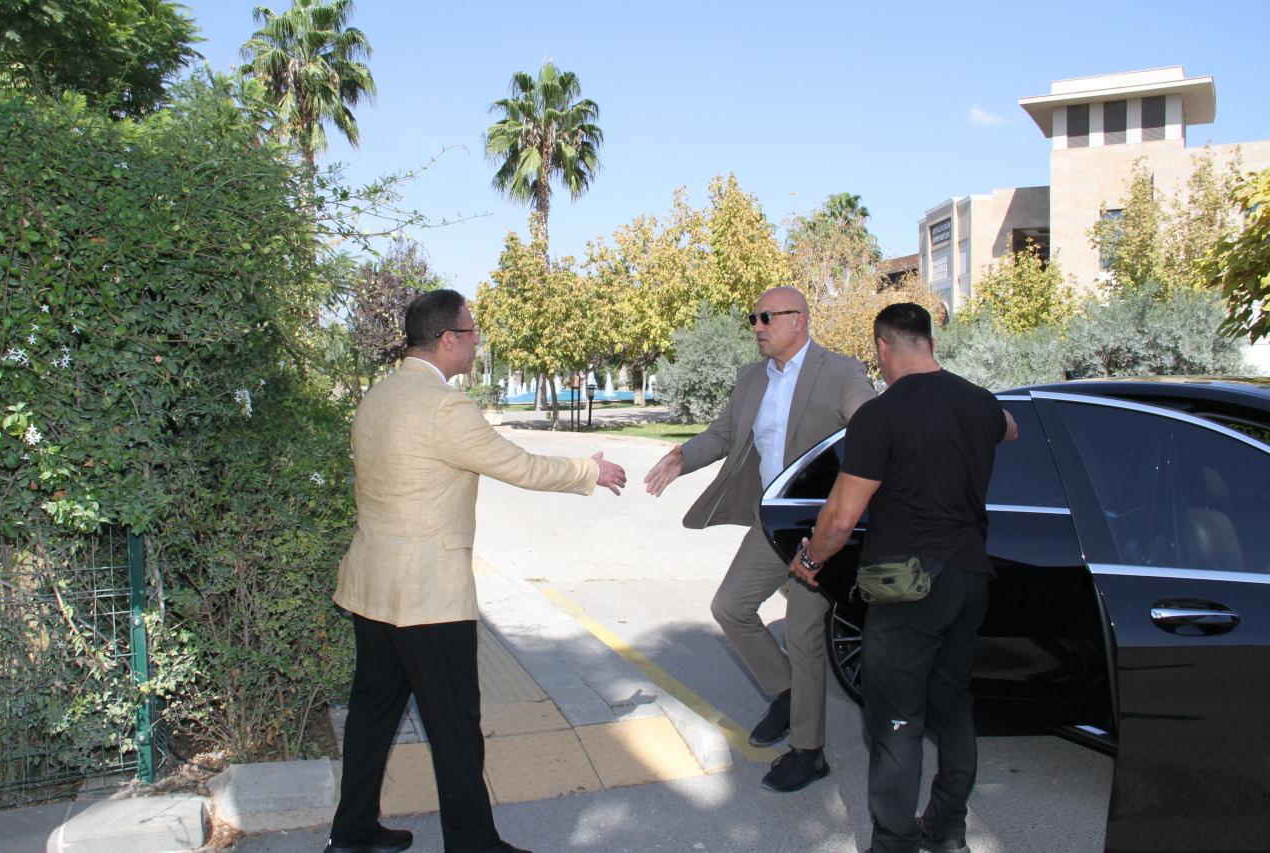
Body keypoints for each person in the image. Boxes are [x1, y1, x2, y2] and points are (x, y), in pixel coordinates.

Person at [326, 290, 627, 853]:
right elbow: (519, 464)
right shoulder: (445, 407)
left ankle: (352, 832)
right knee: (454, 726)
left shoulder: (378, 396)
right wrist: (588, 470)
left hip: (371, 587)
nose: (476, 341)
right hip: (428, 597)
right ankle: (472, 845)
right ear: (447, 340)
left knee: (372, 715)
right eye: (471, 332)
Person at [790, 302, 1018, 853]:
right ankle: (947, 830)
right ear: (931, 343)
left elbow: (840, 518)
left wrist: (811, 562)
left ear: (882, 348)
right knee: (954, 709)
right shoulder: (980, 402)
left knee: (896, 720)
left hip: (908, 588)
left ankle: (893, 843)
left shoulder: (881, 415)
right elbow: (1011, 429)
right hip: (969, 579)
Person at [644, 285, 875, 792]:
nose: (757, 326)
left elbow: (870, 432)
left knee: (805, 632)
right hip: (772, 524)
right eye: (754, 318)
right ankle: (789, 691)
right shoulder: (752, 378)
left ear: (799, 320)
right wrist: (683, 457)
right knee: (730, 606)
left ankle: (809, 752)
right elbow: (723, 435)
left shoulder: (841, 372)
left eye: (766, 317)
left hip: (821, 528)